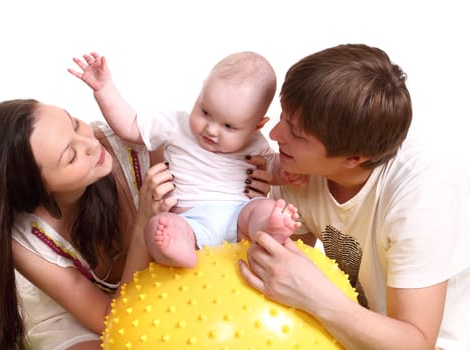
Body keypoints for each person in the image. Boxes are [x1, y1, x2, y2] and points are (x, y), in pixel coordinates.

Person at [238, 44, 470, 349]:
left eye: (297, 134)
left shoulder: (423, 192)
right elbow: (280, 275)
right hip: (351, 330)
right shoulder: (296, 169)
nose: (275, 135)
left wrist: (316, 296)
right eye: (282, 117)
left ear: (354, 158)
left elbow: (418, 343)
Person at [0, 98, 179, 350]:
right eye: (71, 155)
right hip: (80, 310)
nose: (91, 144)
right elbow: (110, 318)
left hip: (162, 281)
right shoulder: (27, 238)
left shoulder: (136, 144)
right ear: (40, 189)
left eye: (75, 124)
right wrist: (143, 225)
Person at [69, 51, 306, 269]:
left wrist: (285, 172)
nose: (211, 130)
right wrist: (104, 89)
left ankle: (269, 229)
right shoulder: (175, 125)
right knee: (159, 226)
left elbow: (271, 168)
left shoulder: (255, 142)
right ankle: (180, 251)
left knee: (264, 208)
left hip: (239, 215)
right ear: (200, 92)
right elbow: (130, 126)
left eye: (228, 126)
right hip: (189, 219)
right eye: (205, 112)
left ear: (257, 125)